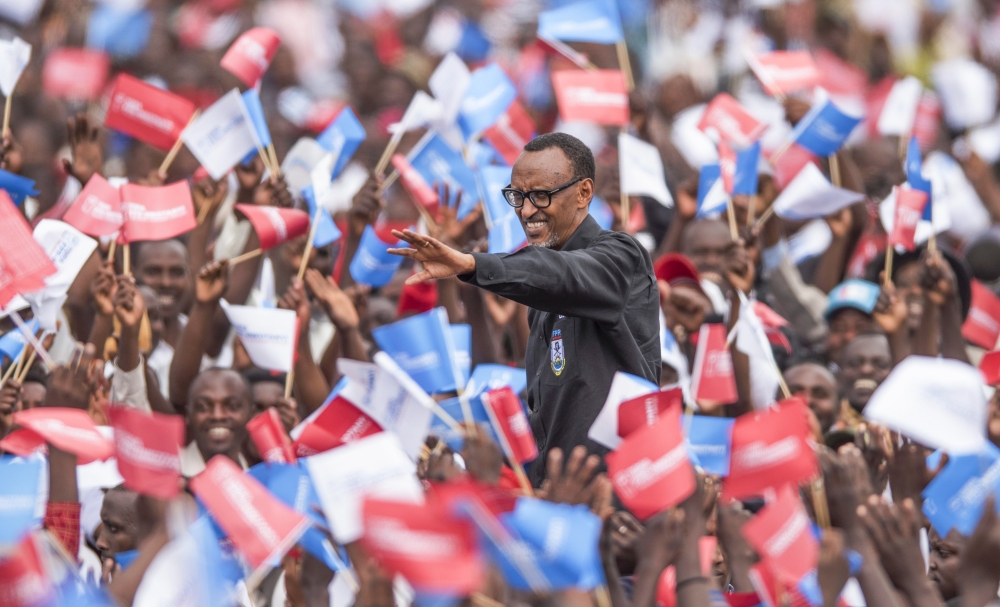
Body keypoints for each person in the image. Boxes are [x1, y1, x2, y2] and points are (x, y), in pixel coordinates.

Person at [388, 132, 660, 485]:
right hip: (562, 500)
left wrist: (472, 264)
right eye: (517, 196)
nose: (526, 210)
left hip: (621, 501)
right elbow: (550, 424)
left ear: (584, 193)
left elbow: (559, 272)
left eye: (541, 196)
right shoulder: (543, 303)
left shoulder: (621, 256)